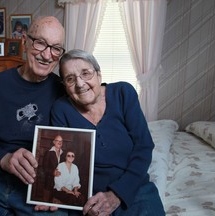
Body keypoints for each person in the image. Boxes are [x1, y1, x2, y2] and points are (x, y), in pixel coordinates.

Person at [0, 16, 67, 216]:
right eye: (41, 43)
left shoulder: (64, 91)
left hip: (40, 182)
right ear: (25, 41)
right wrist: (5, 159)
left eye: (56, 48)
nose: (47, 55)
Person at [51, 49, 165, 215]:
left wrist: (117, 194)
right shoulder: (61, 109)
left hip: (132, 186)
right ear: (65, 87)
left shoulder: (123, 93)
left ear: (99, 75)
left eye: (86, 73)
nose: (80, 83)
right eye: (70, 79)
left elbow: (144, 146)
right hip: (86, 196)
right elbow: (61, 161)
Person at [42, 135, 64, 202]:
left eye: (61, 141)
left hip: (59, 182)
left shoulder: (63, 153)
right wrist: (52, 172)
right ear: (54, 142)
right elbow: (44, 168)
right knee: (46, 201)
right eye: (57, 141)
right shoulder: (48, 152)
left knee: (55, 201)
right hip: (49, 181)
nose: (59, 142)